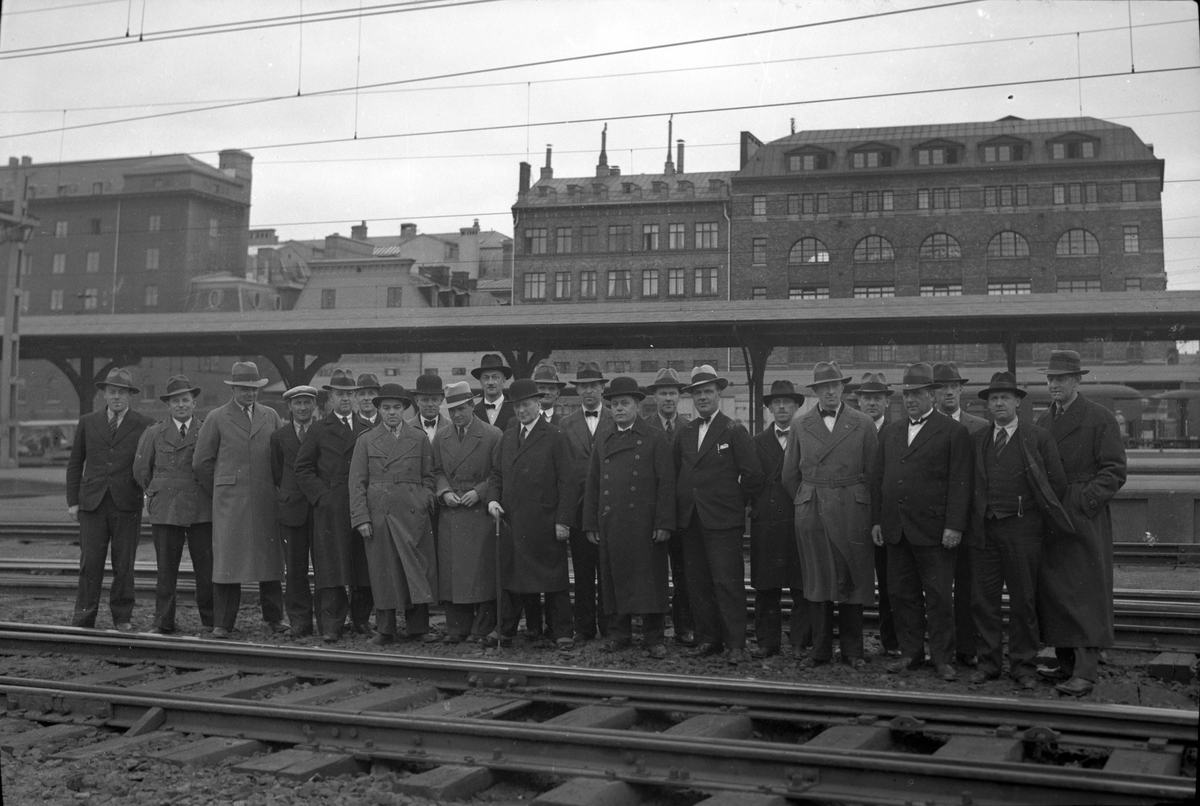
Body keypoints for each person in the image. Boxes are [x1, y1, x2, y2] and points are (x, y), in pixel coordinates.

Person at [870, 362, 973, 682]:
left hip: (934, 532)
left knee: (939, 597)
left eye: (917, 393)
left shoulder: (954, 432)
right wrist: (878, 521)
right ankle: (910, 653)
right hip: (897, 529)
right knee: (902, 595)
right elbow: (879, 479)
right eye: (906, 394)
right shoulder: (892, 431)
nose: (910, 399)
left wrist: (954, 525)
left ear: (932, 394)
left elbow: (960, 483)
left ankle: (942, 658)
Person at [969, 372, 1071, 689]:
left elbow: (1056, 484)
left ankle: (1023, 666)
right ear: (988, 406)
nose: (999, 403)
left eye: (1005, 397)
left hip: (1023, 531)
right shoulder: (978, 439)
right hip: (985, 531)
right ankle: (988, 664)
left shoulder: (1038, 437)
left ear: (1017, 402)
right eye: (993, 399)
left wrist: (1032, 517)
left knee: (1023, 601)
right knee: (983, 601)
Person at [1034, 350, 1127, 697]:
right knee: (1055, 590)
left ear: (1076, 380)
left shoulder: (1100, 417)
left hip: (1083, 515)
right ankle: (1066, 664)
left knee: (1086, 591)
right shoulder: (1044, 421)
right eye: (1050, 379)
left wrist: (1084, 501)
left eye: (1061, 378)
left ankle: (1085, 673)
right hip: (1053, 513)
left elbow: (1114, 470)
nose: (1053, 384)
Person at [783, 364, 877, 670]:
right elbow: (789, 475)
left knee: (853, 578)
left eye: (835, 385)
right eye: (824, 387)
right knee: (818, 580)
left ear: (843, 388)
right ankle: (820, 650)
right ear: (816, 392)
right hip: (814, 509)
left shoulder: (864, 423)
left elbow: (873, 472)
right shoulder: (800, 424)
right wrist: (809, 499)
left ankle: (853, 651)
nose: (831, 391)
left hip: (853, 509)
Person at [674, 365, 763, 664]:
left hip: (723, 521)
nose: (702, 397)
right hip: (691, 520)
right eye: (697, 393)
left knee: (728, 583)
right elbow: (679, 472)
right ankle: (708, 638)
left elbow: (752, 475)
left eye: (708, 392)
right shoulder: (685, 432)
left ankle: (735, 643)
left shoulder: (734, 430)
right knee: (697, 582)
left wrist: (734, 504)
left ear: (719, 394)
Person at [192, 361, 286, 638]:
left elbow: (279, 456)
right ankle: (223, 622)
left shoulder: (271, 415)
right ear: (233, 388)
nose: (250, 393)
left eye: (254, 388)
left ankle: (274, 618)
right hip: (230, 503)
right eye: (244, 388)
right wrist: (222, 489)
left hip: (265, 500)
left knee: (270, 561)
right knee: (228, 564)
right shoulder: (217, 417)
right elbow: (201, 463)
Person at [583, 376, 675, 658]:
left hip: (645, 524)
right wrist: (590, 522)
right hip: (612, 522)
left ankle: (653, 637)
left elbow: (666, 483)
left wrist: (663, 523)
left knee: (650, 581)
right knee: (614, 580)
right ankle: (618, 635)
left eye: (625, 403)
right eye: (615, 404)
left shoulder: (655, 437)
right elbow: (593, 482)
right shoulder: (603, 438)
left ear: (637, 405)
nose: (619, 409)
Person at [487, 378, 576, 649]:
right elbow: (497, 474)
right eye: (517, 406)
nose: (521, 410)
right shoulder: (508, 437)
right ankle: (505, 629)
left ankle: (561, 630)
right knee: (513, 577)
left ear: (538, 404)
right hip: (513, 521)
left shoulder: (556, 436)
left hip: (545, 521)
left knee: (554, 578)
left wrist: (563, 521)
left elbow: (568, 482)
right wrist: (492, 500)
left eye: (526, 404)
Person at [350, 383, 439, 648]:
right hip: (381, 514)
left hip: (413, 513)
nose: (391, 412)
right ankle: (386, 630)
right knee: (383, 571)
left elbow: (429, 476)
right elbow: (357, 482)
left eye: (397, 407)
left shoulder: (419, 438)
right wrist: (361, 517)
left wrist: (423, 499)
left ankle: (418, 628)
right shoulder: (366, 440)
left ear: (404, 410)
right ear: (379, 410)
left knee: (416, 569)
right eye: (386, 407)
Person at [66, 367, 154, 630]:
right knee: (90, 563)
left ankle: (122, 618)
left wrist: (148, 495)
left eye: (122, 392)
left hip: (127, 503)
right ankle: (84, 618)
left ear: (130, 396)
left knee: (124, 565)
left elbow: (150, 464)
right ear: (104, 394)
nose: (117, 397)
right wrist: (73, 502)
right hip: (92, 504)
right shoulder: (87, 422)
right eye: (112, 392)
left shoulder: (145, 424)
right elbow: (75, 463)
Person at [294, 367, 374, 643]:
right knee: (332, 568)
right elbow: (303, 468)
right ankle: (332, 624)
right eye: (340, 394)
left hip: (361, 503)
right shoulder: (319, 429)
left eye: (350, 394)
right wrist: (322, 496)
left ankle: (361, 619)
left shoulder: (366, 429)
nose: (345, 399)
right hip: (331, 507)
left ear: (356, 397)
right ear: (330, 398)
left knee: (363, 564)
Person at [133, 374, 213, 635]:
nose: (181, 405)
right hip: (166, 508)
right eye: (176, 401)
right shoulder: (153, 433)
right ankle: (163, 622)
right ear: (168, 405)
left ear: (194, 403)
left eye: (185, 400)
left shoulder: (207, 430)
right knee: (166, 570)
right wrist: (158, 492)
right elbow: (141, 470)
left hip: (201, 508)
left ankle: (211, 621)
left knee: (206, 568)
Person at [432, 381, 503, 642]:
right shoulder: (441, 436)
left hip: (479, 511)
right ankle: (457, 627)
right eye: (452, 410)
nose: (457, 414)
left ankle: (481, 627)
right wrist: (444, 491)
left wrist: (480, 492)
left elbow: (498, 473)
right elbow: (436, 471)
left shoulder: (492, 434)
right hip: (451, 511)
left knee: (481, 572)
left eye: (461, 408)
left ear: (473, 405)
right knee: (453, 573)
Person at [749, 379, 810, 659]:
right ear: (770, 408)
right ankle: (767, 643)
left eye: (788, 402)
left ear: (797, 407)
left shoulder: (807, 437)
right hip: (767, 522)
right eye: (777, 402)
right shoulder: (756, 442)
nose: (782, 407)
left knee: (801, 585)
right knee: (766, 587)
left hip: (799, 519)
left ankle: (800, 642)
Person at [933, 362, 988, 669]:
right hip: (932, 522)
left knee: (968, 588)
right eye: (942, 387)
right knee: (937, 590)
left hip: (969, 523)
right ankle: (940, 649)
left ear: (961, 390)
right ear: (933, 392)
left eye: (954, 386)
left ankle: (967, 647)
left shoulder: (979, 427)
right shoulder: (922, 426)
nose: (949, 392)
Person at [560, 361, 612, 643]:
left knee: (608, 570)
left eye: (594, 386)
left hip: (610, 506)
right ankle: (584, 627)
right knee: (582, 571)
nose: (589, 391)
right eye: (583, 387)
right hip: (579, 508)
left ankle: (609, 626)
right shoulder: (565, 424)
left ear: (602, 388)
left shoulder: (616, 419)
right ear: (577, 391)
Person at [644, 366, 693, 646]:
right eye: (663, 393)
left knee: (684, 574)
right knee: (653, 573)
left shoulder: (690, 428)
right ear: (655, 397)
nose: (668, 398)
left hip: (683, 515)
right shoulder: (643, 426)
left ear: (679, 396)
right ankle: (654, 631)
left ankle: (683, 626)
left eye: (673, 393)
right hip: (652, 514)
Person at [853, 371, 899, 656]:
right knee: (853, 581)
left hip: (885, 520)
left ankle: (890, 642)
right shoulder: (850, 431)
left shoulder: (896, 432)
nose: (872, 403)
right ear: (858, 401)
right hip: (855, 517)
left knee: (889, 582)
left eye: (877, 398)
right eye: (867, 398)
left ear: (887, 402)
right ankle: (852, 643)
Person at [269, 385, 320, 637]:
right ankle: (300, 621)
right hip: (291, 509)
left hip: (319, 508)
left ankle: (327, 622)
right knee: (295, 569)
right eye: (297, 403)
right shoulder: (278, 437)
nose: (302, 408)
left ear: (314, 406)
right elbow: (277, 472)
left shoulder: (322, 432)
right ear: (289, 407)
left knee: (324, 567)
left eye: (307, 402)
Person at [473, 354, 515, 430]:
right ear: (481, 382)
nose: (490, 382)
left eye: (495, 377)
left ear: (503, 380)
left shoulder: (515, 409)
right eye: (486, 378)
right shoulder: (473, 413)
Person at [413, 374, 449, 441]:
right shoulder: (405, 428)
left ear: (441, 400)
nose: (430, 404)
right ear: (416, 400)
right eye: (425, 400)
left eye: (434, 399)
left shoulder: (452, 427)